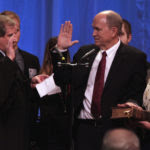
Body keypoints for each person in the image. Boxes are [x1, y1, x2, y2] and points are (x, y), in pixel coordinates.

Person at [32, 10, 147, 150]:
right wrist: (61, 50)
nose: (93, 34)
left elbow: (135, 93)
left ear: (113, 31)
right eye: (93, 29)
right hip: (83, 130)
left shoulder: (134, 58)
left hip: (114, 130)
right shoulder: (85, 53)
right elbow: (62, 78)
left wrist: (130, 104)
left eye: (97, 29)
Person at [0, 15, 32, 150]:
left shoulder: (8, 57)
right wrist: (9, 60)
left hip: (17, 132)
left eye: (15, 34)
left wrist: (31, 82)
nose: (15, 39)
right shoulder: (8, 59)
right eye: (10, 35)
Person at [35, 37, 72, 150]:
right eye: (56, 50)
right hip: (49, 127)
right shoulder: (41, 75)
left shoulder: (71, 71)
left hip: (67, 126)